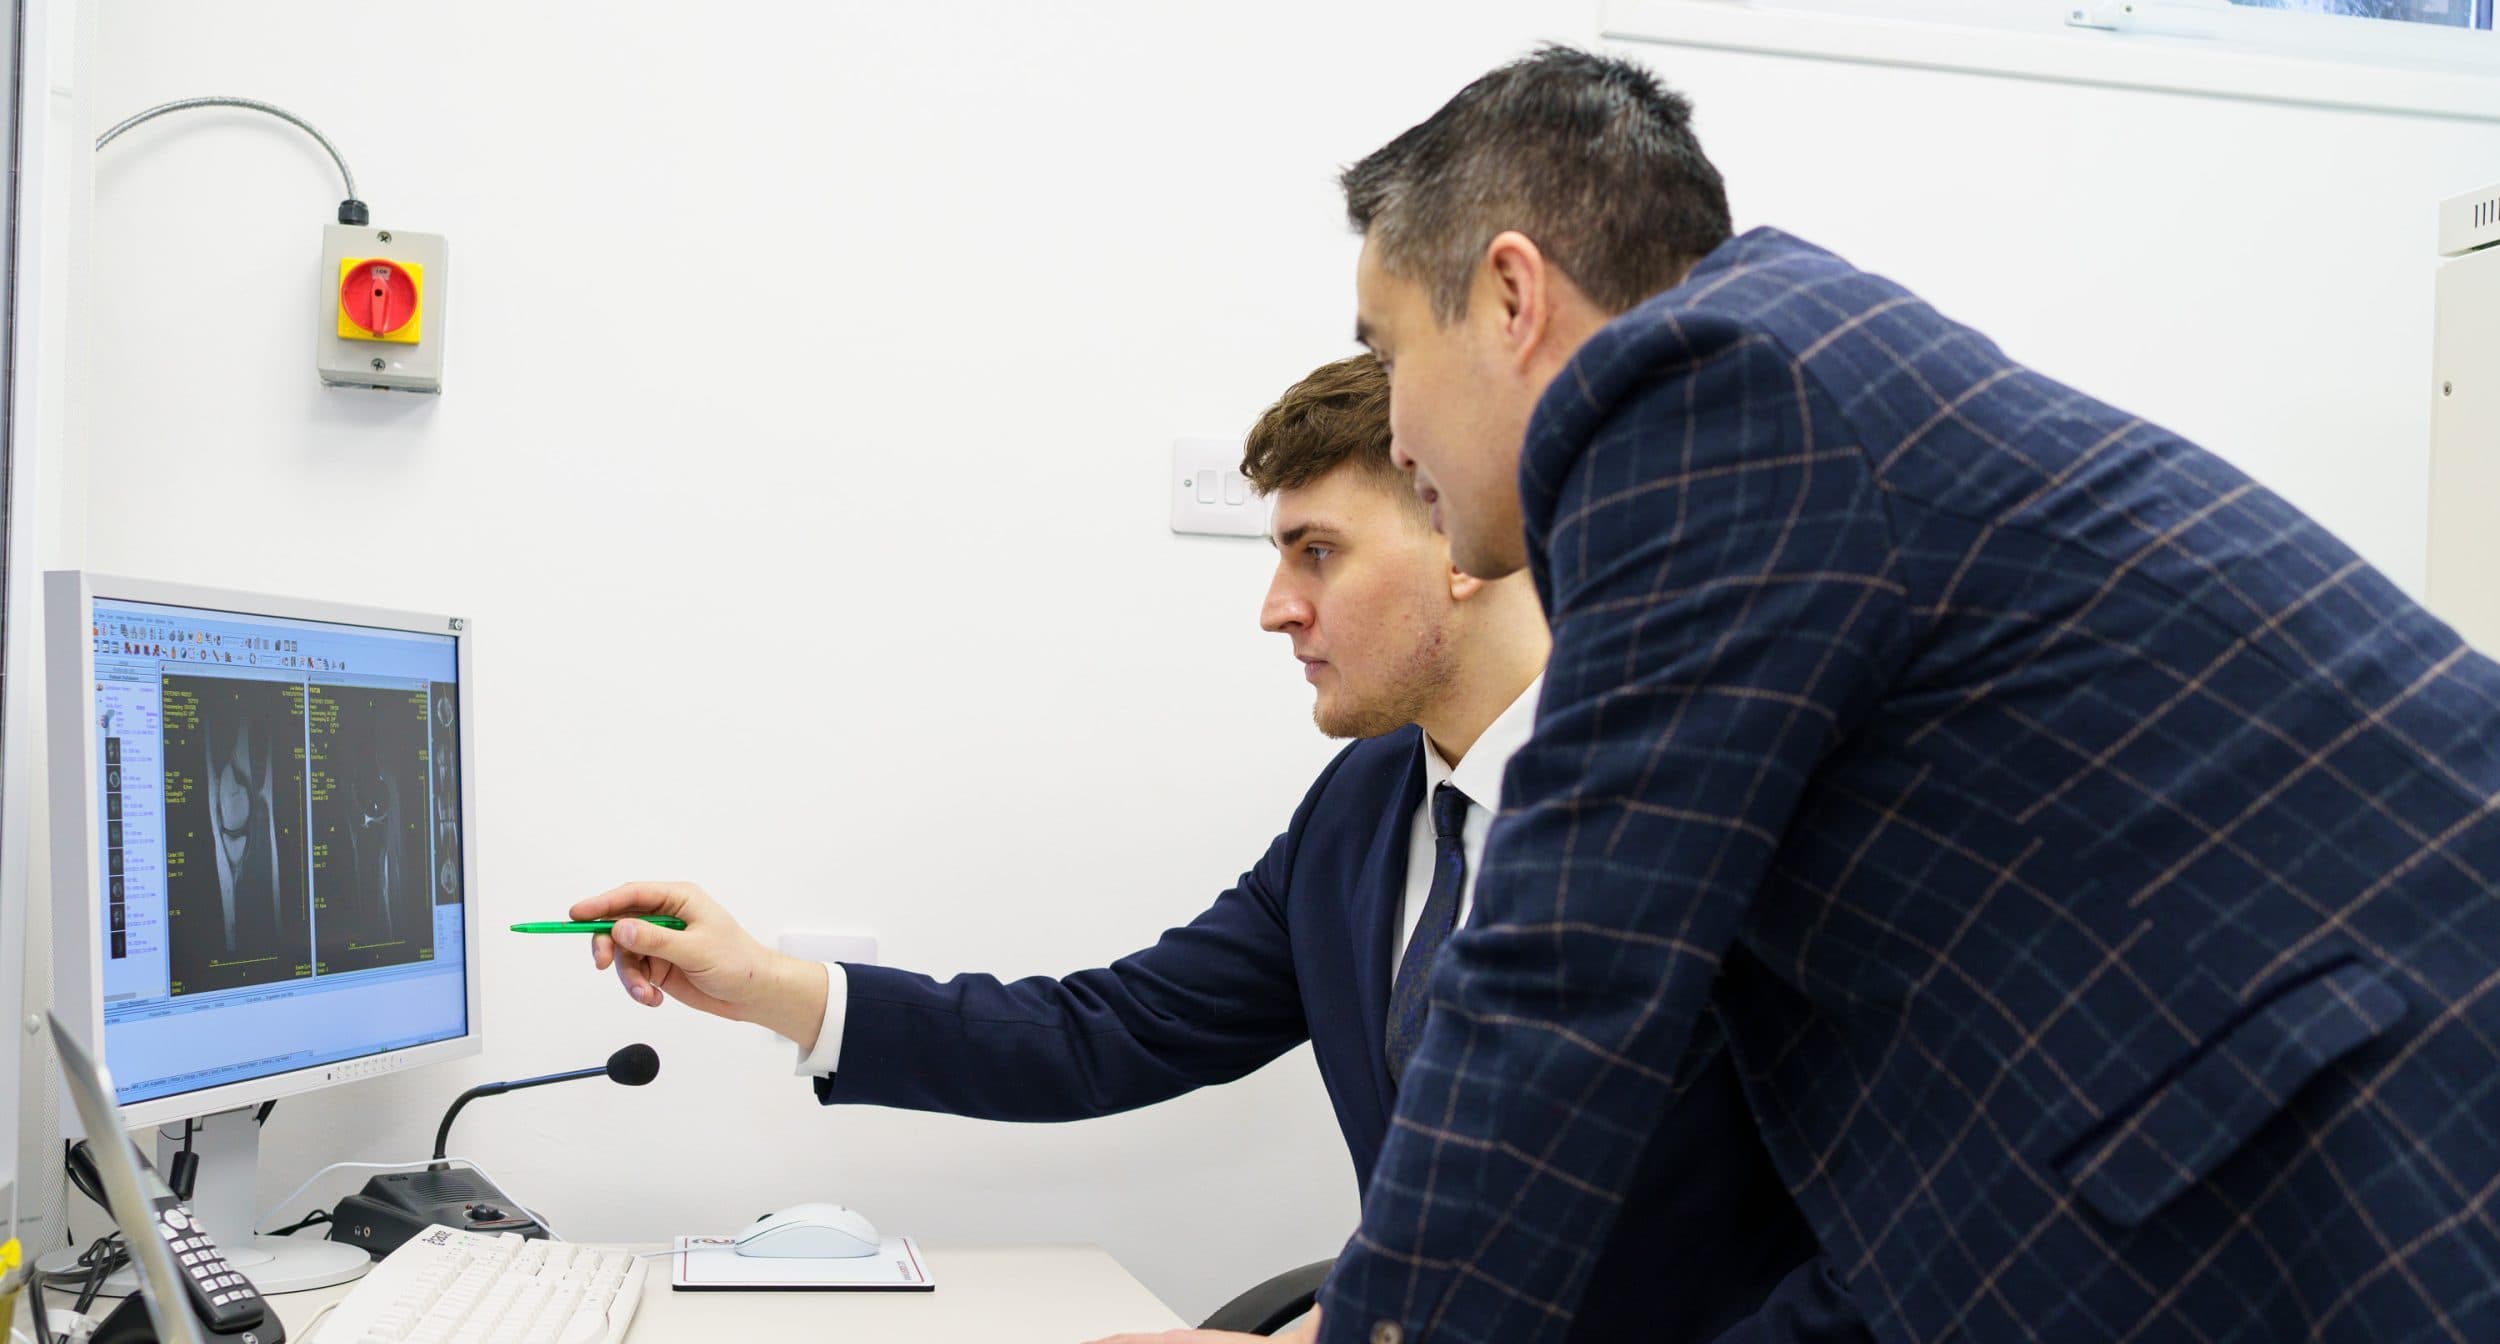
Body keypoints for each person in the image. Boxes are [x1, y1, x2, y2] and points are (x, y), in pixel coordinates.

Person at [1322, 43, 2500, 1344]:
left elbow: (1563, 980)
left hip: (2370, 1139)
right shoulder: (1777, 385)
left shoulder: (1698, 400)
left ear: (1509, 296)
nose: (1392, 437)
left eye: (1389, 356)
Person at [570, 355, 1846, 1343]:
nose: (1275, 607)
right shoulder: (1362, 809)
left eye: (1318, 552)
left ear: (1462, 537)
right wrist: (768, 986)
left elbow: (1879, 1251)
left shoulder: (1723, 809)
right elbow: (1111, 1029)